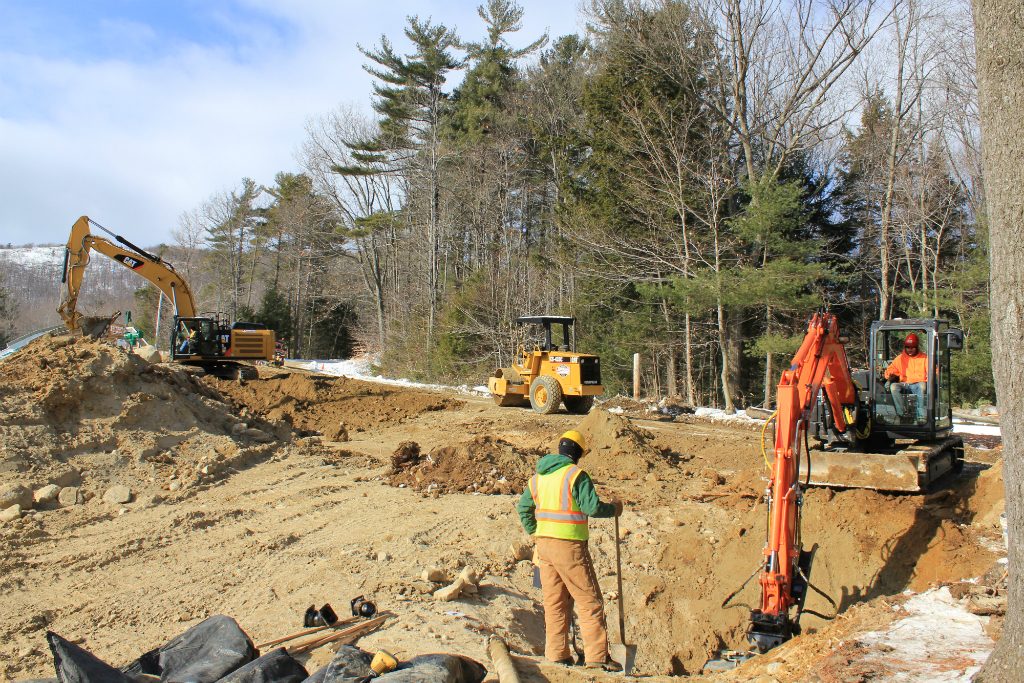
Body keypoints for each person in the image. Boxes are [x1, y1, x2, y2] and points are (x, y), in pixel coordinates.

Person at [516, 429, 623, 671]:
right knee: (589, 601)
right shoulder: (576, 475)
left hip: (544, 548)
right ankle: (597, 657)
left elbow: (523, 508)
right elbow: (592, 507)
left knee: (555, 602)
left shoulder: (538, 477)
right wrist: (614, 509)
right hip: (570, 547)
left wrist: (536, 532)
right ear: (578, 454)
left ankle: (557, 654)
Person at [885, 333, 928, 421]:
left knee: (922, 386)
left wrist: (930, 378)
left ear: (917, 347)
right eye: (908, 347)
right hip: (904, 384)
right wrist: (889, 379)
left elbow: (933, 371)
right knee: (893, 387)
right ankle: (901, 414)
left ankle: (921, 416)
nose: (910, 349)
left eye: (912, 347)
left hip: (918, 384)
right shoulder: (900, 358)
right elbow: (891, 370)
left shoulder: (924, 358)